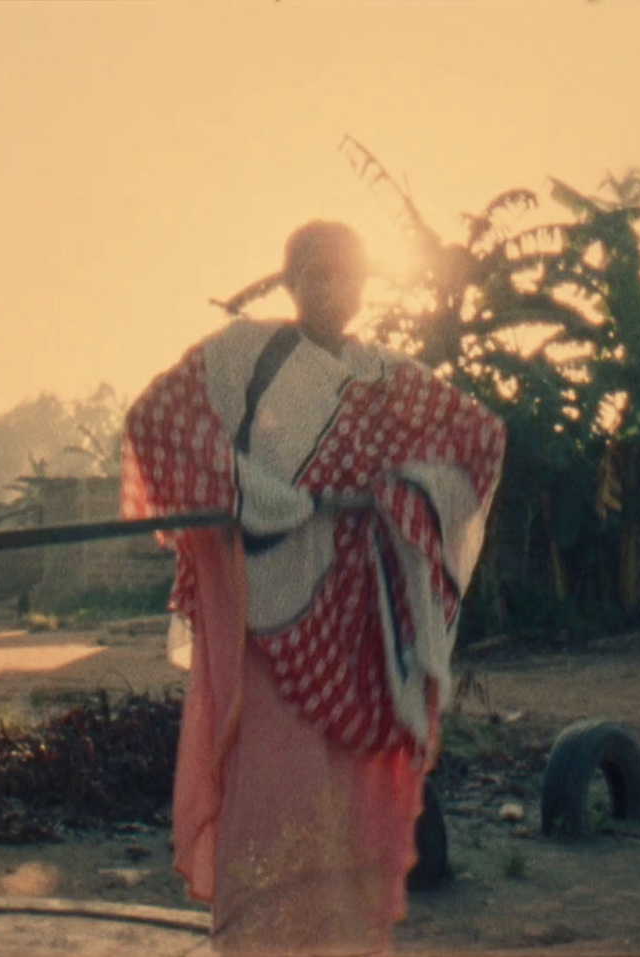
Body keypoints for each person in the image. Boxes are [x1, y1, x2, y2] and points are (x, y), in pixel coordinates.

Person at [122, 220, 506, 956]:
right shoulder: (244, 357)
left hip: (358, 634)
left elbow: (479, 440)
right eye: (319, 274)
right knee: (269, 802)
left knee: (348, 811)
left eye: (350, 274)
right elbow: (156, 423)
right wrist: (250, 492)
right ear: (291, 281)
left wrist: (398, 496)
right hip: (267, 626)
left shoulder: (385, 376)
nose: (336, 290)